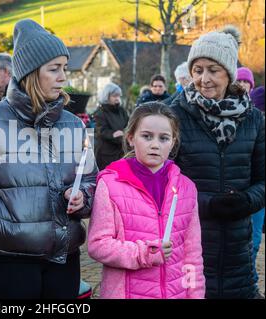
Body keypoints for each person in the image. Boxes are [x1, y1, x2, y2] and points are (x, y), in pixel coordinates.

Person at [0, 19, 98, 299]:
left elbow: (91, 181)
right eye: (54, 69)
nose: (64, 76)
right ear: (31, 72)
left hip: (64, 259)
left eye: (64, 67)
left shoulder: (73, 125)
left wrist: (83, 197)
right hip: (9, 262)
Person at [171, 26, 264, 299]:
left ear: (229, 73)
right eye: (197, 70)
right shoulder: (175, 115)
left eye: (213, 69)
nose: (204, 79)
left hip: (238, 247)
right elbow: (165, 183)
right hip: (189, 242)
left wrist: (247, 201)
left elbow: (263, 179)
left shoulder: (253, 119)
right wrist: (208, 203)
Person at [88, 102, 205, 299]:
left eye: (164, 138)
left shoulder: (186, 188)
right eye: (147, 136)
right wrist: (145, 253)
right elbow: (98, 245)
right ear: (131, 138)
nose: (155, 145)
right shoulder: (110, 184)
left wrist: (195, 294)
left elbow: (192, 255)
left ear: (173, 141)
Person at [249, 85, 265, 296]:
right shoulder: (248, 128)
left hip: (260, 193)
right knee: (250, 242)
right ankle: (250, 282)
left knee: (254, 241)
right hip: (249, 192)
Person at [94, 83, 129, 170]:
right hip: (106, 153)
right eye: (114, 96)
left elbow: (128, 124)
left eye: (119, 96)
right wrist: (113, 134)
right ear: (107, 96)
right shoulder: (100, 112)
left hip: (121, 151)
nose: (117, 98)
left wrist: (126, 132)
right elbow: (100, 131)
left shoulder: (122, 111)